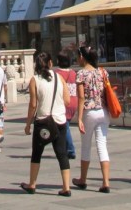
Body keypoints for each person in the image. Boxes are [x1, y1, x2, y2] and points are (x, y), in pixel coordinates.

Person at [21, 51, 71, 196]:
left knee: (37, 153)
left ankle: (32, 184)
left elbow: (33, 104)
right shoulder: (59, 77)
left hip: (43, 122)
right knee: (62, 153)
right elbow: (67, 101)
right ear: (50, 63)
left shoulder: (34, 80)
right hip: (60, 120)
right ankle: (66, 187)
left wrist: (28, 124)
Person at [72, 45, 110, 193]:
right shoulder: (102, 72)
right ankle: (106, 181)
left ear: (82, 56)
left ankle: (82, 179)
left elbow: (81, 97)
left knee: (86, 146)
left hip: (89, 111)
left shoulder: (81, 74)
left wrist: (79, 118)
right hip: (103, 111)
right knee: (102, 145)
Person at [54, 51, 78, 161]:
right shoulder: (73, 73)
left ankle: (70, 150)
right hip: (73, 101)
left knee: (65, 126)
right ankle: (65, 148)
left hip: (63, 102)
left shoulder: (57, 73)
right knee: (65, 125)